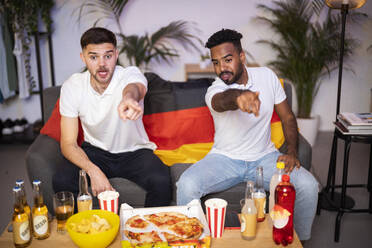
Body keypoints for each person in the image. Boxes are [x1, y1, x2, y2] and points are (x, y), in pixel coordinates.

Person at [176, 29, 318, 240]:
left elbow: (288, 117)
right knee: (186, 185)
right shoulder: (215, 90)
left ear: (242, 57)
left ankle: (299, 242)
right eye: (215, 63)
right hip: (224, 159)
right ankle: (190, 241)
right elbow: (223, 100)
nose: (222, 68)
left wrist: (292, 151)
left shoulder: (267, 77)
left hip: (265, 158)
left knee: (309, 185)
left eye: (227, 59)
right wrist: (240, 96)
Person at [53, 27, 172, 207]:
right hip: (96, 151)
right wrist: (93, 170)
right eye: (93, 57)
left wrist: (129, 99)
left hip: (135, 152)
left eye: (107, 56)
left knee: (161, 183)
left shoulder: (129, 74)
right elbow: (68, 143)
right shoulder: (73, 86)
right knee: (61, 180)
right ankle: (91, 230)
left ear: (116, 55)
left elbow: (135, 88)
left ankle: (147, 231)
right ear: (83, 58)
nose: (102, 64)